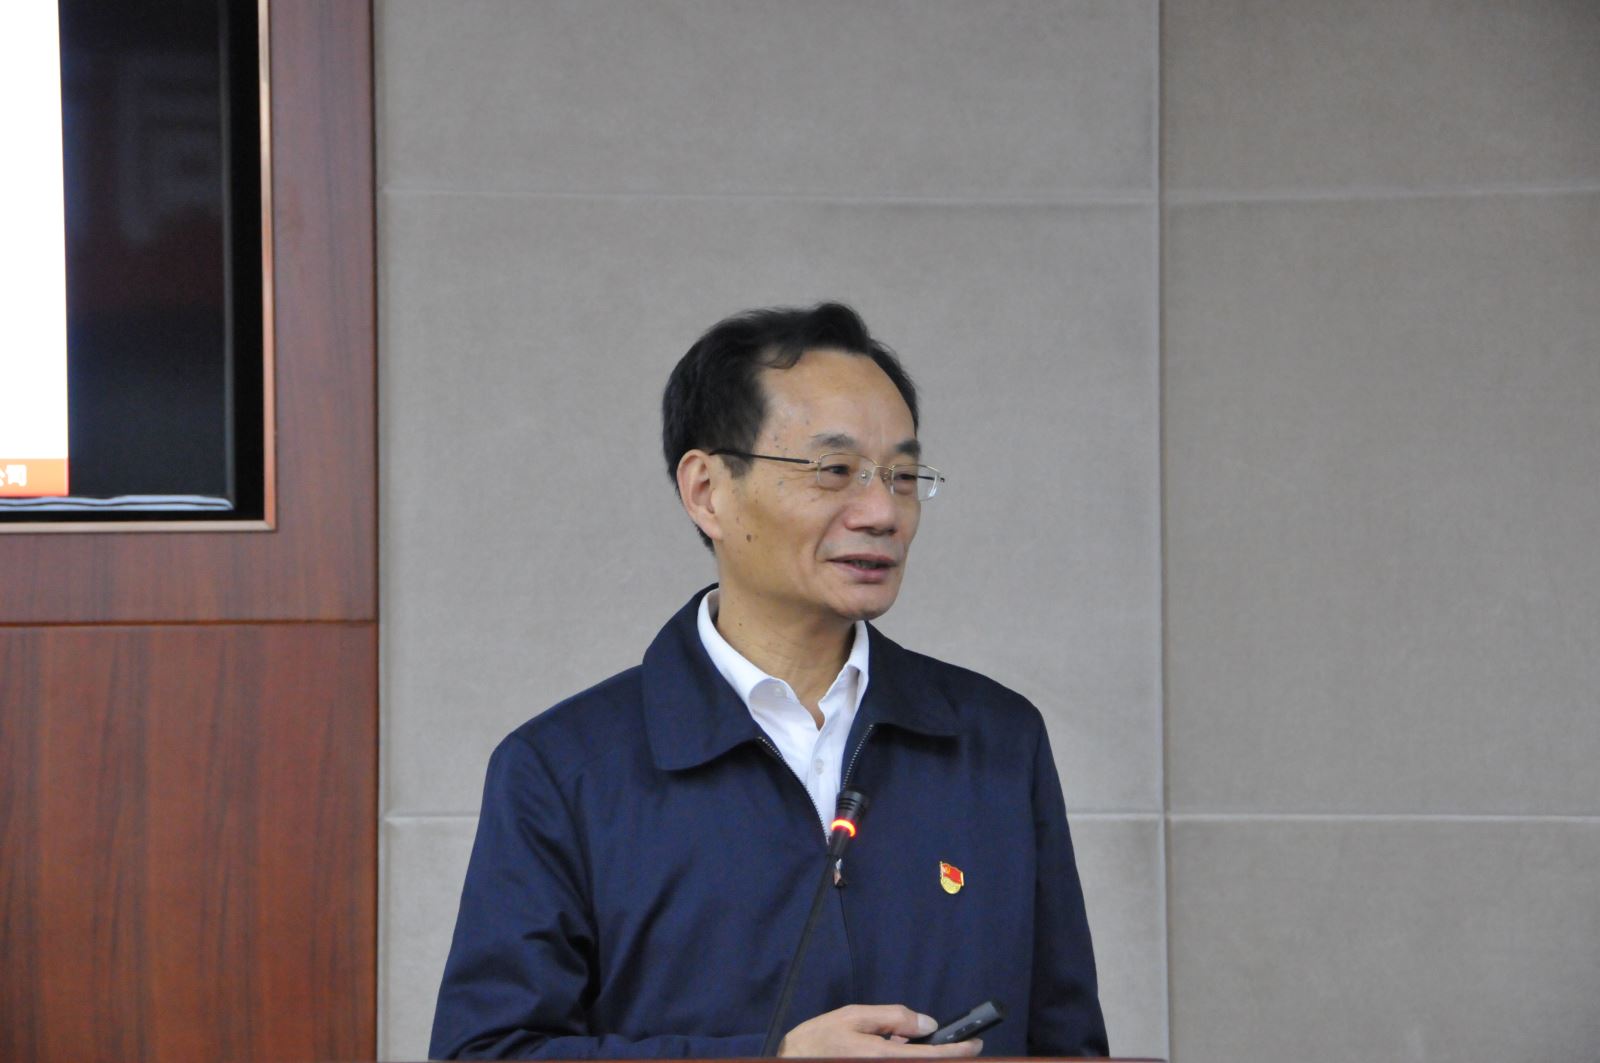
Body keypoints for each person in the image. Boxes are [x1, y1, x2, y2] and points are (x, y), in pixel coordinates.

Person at [431, 303, 1108, 1059]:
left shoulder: (994, 740)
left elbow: (1068, 1044)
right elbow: (486, 1052)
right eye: (835, 471)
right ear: (707, 490)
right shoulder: (565, 768)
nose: (882, 511)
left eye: (903, 476)